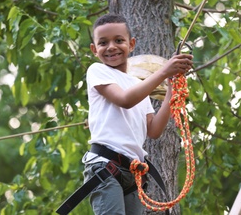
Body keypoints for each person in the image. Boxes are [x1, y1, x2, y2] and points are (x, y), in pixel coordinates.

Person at [82, 13, 193, 215]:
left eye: (119, 40)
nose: (111, 47)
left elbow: (154, 130)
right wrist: (162, 72)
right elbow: (125, 100)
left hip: (132, 172)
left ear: (131, 44)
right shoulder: (97, 70)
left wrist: (170, 89)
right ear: (94, 49)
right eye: (103, 43)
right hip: (105, 165)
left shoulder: (137, 85)